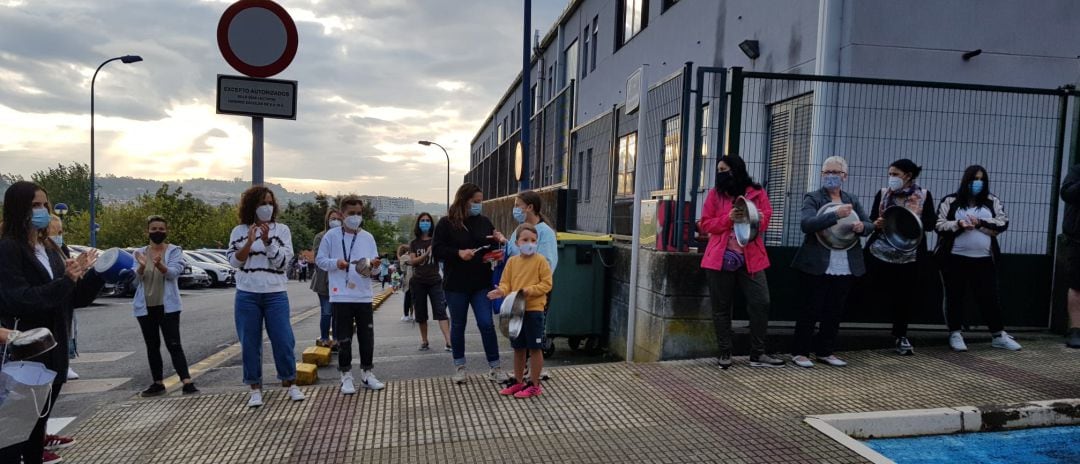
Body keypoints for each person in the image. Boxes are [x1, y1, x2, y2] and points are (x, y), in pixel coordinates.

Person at [0, 181, 99, 464]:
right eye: (34, 205)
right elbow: (19, 299)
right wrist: (66, 282)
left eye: (44, 204)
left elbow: (69, 298)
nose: (41, 210)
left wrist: (93, 275)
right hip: (26, 355)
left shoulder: (50, 247)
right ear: (18, 208)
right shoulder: (9, 249)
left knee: (36, 433)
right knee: (14, 437)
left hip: (54, 351)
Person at [697, 155, 784, 369]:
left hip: (751, 257)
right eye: (719, 169)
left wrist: (759, 218)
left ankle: (758, 353)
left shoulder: (757, 192)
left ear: (736, 170)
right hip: (720, 258)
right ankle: (725, 352)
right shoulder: (714, 195)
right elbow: (706, 224)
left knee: (761, 302)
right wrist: (728, 219)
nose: (720, 173)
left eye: (724, 169)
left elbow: (766, 219)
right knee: (721, 307)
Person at [789, 156, 873, 368]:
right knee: (810, 308)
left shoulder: (852, 199)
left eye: (835, 172)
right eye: (827, 172)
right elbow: (807, 224)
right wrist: (835, 214)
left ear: (844, 176)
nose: (831, 176)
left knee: (834, 309)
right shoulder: (813, 197)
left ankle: (825, 351)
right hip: (817, 262)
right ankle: (800, 352)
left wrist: (862, 227)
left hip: (845, 261)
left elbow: (869, 224)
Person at [227, 186, 305, 408]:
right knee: (249, 342)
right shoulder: (239, 231)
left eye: (270, 203)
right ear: (252, 206)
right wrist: (250, 242)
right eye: (262, 203)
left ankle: (290, 383)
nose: (267, 208)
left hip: (275, 293)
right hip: (247, 293)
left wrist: (268, 242)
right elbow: (234, 262)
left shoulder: (282, 230)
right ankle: (255, 388)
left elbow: (282, 264)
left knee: (283, 339)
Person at [935, 166, 1021, 352]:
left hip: (983, 259)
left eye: (982, 179)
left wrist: (980, 223)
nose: (978, 183)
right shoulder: (950, 201)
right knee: (954, 296)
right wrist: (958, 224)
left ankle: (998, 335)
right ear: (966, 180)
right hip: (954, 258)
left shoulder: (992, 201)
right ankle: (955, 333)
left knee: (989, 297)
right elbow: (939, 225)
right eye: (974, 179)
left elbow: (1002, 223)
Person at [433, 183, 508, 384]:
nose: (478, 205)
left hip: (481, 283)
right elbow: (437, 249)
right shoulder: (446, 223)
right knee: (458, 325)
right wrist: (458, 253)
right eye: (475, 202)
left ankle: (495, 367)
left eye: (480, 202)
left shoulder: (484, 221)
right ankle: (460, 366)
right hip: (455, 284)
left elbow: (492, 245)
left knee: (486, 323)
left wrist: (498, 244)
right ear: (463, 200)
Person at [866, 159, 938, 356]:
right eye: (890, 174)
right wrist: (877, 222)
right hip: (880, 250)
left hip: (909, 254)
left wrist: (912, 220)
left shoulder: (923, 195)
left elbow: (931, 224)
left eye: (895, 174)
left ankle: (901, 334)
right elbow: (873, 218)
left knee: (904, 296)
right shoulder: (883, 194)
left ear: (908, 175)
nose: (892, 178)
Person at [316, 196, 385, 394]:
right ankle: (345, 375)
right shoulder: (331, 236)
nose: (355, 217)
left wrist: (375, 267)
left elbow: (374, 271)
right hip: (340, 295)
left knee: (367, 336)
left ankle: (367, 373)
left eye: (359, 214)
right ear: (341, 214)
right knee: (343, 338)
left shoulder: (368, 237)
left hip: (363, 295)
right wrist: (336, 263)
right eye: (351, 214)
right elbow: (320, 260)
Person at [131, 215, 199, 397]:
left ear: (166, 231)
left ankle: (186, 381)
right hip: (145, 306)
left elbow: (173, 274)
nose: (157, 232)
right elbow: (134, 282)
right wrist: (140, 267)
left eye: (161, 229)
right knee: (152, 345)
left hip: (168, 306)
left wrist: (160, 265)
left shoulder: (174, 251)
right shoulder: (139, 253)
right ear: (147, 231)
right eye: (154, 229)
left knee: (174, 343)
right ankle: (157, 383)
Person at [489, 223, 553, 398]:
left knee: (535, 348)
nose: (529, 243)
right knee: (518, 348)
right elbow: (506, 283)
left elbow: (547, 284)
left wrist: (527, 292)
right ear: (516, 242)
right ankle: (518, 382)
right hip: (516, 310)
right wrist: (501, 291)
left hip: (534, 310)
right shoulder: (512, 262)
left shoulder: (541, 261)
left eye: (533, 240)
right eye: (525, 239)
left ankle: (534, 384)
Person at [504, 190, 558, 380]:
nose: (515, 209)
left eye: (518, 205)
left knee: (534, 336)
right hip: (518, 292)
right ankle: (523, 373)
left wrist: (531, 288)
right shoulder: (520, 229)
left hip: (534, 295)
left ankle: (535, 374)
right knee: (519, 335)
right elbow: (513, 253)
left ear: (530, 207)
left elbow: (548, 265)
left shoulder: (545, 233)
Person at [408, 213, 452, 352]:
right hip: (418, 281)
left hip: (435, 281)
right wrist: (426, 254)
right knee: (420, 313)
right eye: (422, 220)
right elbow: (413, 261)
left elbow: (446, 255)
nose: (425, 223)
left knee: (441, 311)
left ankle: (449, 341)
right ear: (418, 223)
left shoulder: (436, 241)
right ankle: (424, 340)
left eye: (428, 220)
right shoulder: (414, 243)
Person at [311, 207, 342, 350]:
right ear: (327, 221)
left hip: (339, 280)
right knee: (327, 311)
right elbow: (319, 259)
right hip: (323, 281)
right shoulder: (320, 237)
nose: (335, 222)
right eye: (332, 219)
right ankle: (324, 337)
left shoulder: (343, 237)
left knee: (337, 313)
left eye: (338, 219)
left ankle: (336, 339)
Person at [1059, 162, 1080, 348]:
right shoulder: (1078, 170)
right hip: (1078, 240)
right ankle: (1075, 330)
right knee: (1077, 286)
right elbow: (1067, 193)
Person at [397, 244, 415, 322]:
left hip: (409, 279)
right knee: (414, 299)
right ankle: (412, 314)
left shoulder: (404, 257)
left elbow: (403, 269)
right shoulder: (414, 255)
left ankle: (406, 315)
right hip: (417, 278)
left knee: (407, 298)